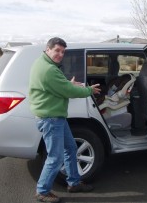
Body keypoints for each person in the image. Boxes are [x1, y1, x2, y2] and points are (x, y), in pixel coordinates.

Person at [29, 37, 101, 203]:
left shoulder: (43, 64)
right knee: (55, 157)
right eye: (57, 51)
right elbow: (68, 91)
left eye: (63, 51)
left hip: (55, 117)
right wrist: (89, 90)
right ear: (48, 49)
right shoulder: (48, 70)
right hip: (51, 119)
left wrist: (68, 84)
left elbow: (59, 86)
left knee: (70, 148)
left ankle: (74, 183)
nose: (60, 54)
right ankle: (42, 191)